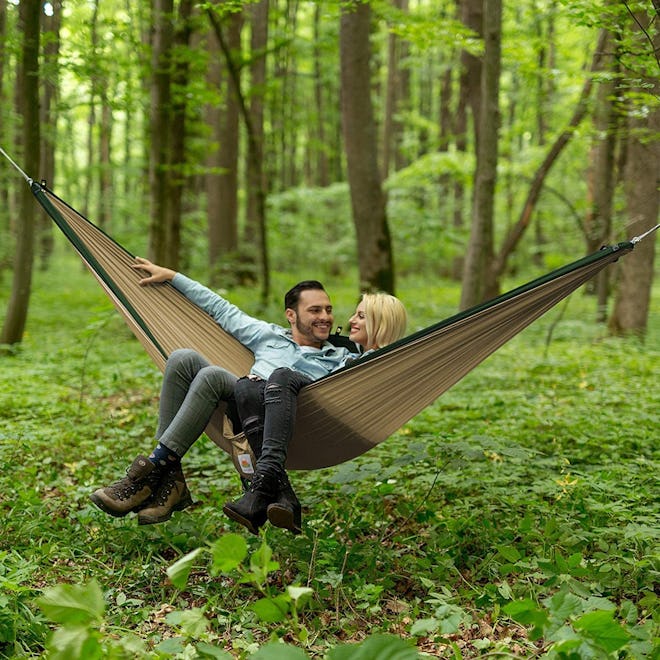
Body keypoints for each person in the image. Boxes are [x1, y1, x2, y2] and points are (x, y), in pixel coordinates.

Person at [89, 257, 356, 525]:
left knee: (212, 375)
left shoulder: (340, 357)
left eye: (328, 310)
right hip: (245, 397)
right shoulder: (269, 336)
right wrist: (173, 276)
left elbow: (377, 362)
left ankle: (154, 472)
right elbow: (221, 309)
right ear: (291, 315)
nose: (325, 317)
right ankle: (169, 475)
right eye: (315, 310)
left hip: (289, 414)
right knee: (182, 358)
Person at [223, 292, 407, 535]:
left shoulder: (378, 363)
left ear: (380, 322)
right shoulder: (354, 356)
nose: (351, 320)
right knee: (247, 386)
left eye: (361, 316)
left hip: (332, 423)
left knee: (281, 375)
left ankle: (263, 483)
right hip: (312, 410)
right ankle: (283, 497)